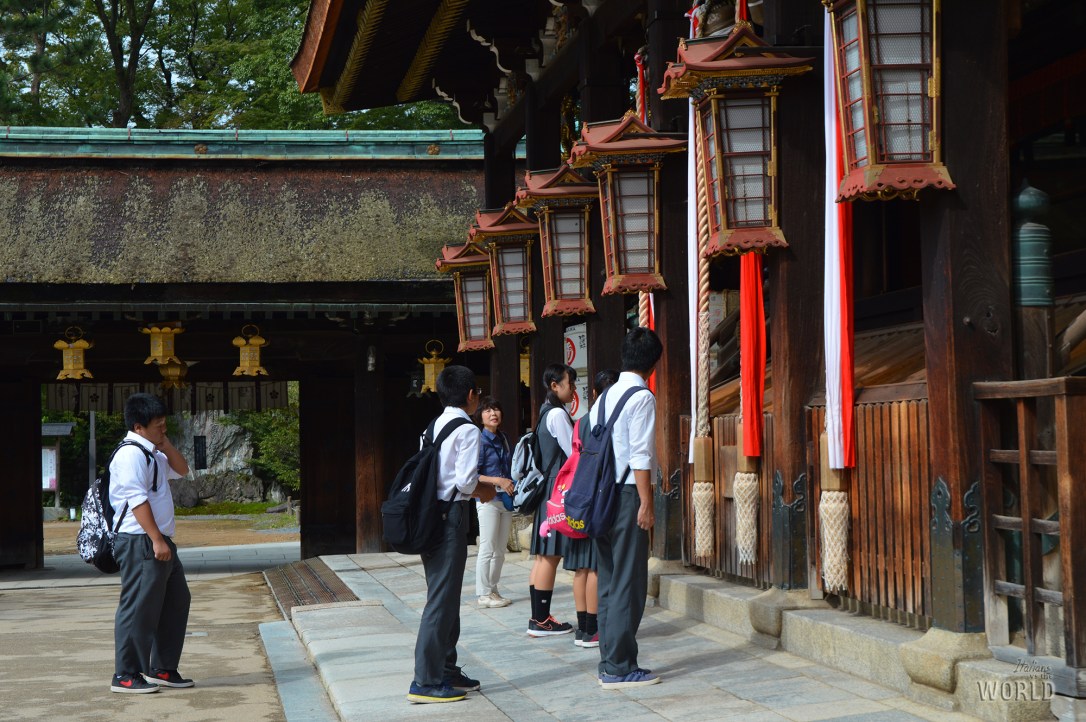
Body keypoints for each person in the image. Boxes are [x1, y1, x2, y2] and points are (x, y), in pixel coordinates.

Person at [408, 365, 506, 704]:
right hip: (450, 517)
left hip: (430, 516)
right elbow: (465, 482)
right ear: (471, 396)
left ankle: (446, 668)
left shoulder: (432, 426)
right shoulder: (467, 430)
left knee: (446, 595)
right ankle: (425, 680)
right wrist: (486, 492)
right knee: (441, 598)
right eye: (478, 394)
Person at [109, 392, 193, 694]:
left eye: (164, 425)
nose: (163, 430)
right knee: (138, 606)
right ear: (138, 426)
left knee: (176, 600)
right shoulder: (130, 454)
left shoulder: (154, 452)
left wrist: (166, 444)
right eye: (158, 426)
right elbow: (136, 499)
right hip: (140, 540)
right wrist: (156, 539)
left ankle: (162, 666)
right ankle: (126, 673)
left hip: (159, 540)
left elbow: (182, 470)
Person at [594, 328, 664, 689]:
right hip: (625, 495)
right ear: (654, 363)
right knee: (628, 582)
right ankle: (620, 666)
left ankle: (610, 659)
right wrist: (647, 503)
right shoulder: (641, 397)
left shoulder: (603, 398)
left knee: (608, 579)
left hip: (599, 496)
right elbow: (641, 455)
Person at [565, 368, 620, 649]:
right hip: (599, 498)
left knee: (580, 568)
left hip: (578, 496)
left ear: (595, 392)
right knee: (595, 566)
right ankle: (594, 628)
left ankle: (582, 628)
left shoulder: (581, 422)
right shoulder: (614, 418)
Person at [527, 363, 576, 637]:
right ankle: (541, 620)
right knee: (550, 556)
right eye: (570, 383)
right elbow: (572, 453)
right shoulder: (557, 414)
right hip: (557, 489)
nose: (573, 389)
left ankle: (539, 617)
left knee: (542, 556)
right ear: (555, 385)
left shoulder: (545, 411)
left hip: (548, 487)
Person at [473, 396, 516, 609]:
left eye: (496, 409)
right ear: (480, 417)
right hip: (488, 498)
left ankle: (493, 588)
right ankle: (483, 593)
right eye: (488, 411)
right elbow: (473, 474)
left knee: (500, 549)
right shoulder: (479, 441)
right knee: (487, 547)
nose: (493, 414)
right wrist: (497, 480)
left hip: (505, 499)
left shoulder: (505, 438)